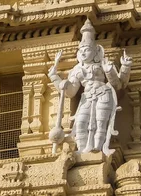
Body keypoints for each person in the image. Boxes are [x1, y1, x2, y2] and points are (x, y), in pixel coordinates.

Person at [48, 20, 131, 154]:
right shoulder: (77, 69)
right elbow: (71, 91)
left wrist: (122, 67)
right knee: (80, 123)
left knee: (100, 123)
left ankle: (97, 149)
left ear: (96, 51)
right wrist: (55, 78)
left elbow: (118, 84)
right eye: (81, 50)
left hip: (103, 94)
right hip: (86, 97)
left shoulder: (103, 64)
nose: (83, 53)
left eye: (87, 50)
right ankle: (82, 150)